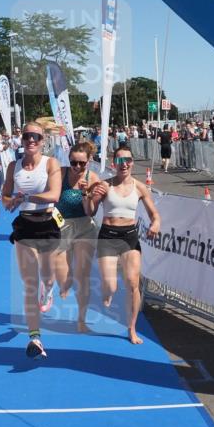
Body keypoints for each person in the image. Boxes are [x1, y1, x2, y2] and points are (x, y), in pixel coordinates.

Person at [87, 144, 161, 345]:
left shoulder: (139, 187)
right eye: (119, 160)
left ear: (132, 163)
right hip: (107, 237)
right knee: (110, 286)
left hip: (129, 236)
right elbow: (91, 211)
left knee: (132, 284)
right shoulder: (105, 185)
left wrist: (155, 223)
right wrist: (89, 195)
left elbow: (154, 214)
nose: (124, 164)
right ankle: (108, 291)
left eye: (127, 160)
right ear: (114, 164)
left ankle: (132, 328)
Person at [2, 121, 63, 359]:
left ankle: (49, 290)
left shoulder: (51, 163)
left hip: (47, 224)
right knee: (29, 283)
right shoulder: (12, 166)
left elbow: (54, 195)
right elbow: (5, 199)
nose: (30, 140)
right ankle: (35, 337)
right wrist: (11, 201)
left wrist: (26, 195)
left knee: (47, 277)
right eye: (27, 136)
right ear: (21, 139)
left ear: (42, 141)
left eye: (36, 137)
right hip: (24, 225)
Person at [52, 141, 100, 333]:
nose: (77, 167)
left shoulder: (93, 178)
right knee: (63, 279)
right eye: (74, 162)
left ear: (89, 161)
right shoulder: (61, 174)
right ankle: (66, 281)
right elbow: (50, 196)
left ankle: (81, 320)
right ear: (69, 160)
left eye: (82, 163)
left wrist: (85, 193)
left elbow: (91, 212)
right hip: (61, 226)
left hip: (84, 227)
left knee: (83, 275)